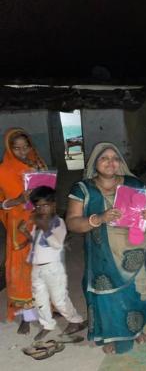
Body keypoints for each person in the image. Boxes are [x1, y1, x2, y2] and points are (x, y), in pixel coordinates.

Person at [65, 142, 146, 354]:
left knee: (138, 291)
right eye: (104, 158)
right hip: (103, 251)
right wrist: (99, 218)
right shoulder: (83, 189)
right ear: (95, 163)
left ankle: (135, 329)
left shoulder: (133, 183)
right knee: (108, 295)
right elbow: (72, 222)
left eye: (115, 158)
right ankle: (111, 335)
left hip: (137, 247)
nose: (110, 163)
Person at [18, 186, 86, 340]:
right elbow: (36, 243)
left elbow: (56, 244)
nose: (41, 209)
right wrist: (26, 233)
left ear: (54, 204)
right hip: (37, 268)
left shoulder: (58, 222)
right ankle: (47, 324)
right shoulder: (38, 222)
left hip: (53, 268)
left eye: (45, 205)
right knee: (39, 299)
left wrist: (44, 227)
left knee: (59, 299)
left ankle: (76, 321)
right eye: (38, 206)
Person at [0, 127, 48, 334]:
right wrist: (19, 200)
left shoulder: (38, 164)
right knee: (21, 271)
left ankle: (46, 310)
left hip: (40, 223)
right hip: (18, 228)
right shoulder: (3, 171)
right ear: (9, 149)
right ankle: (26, 317)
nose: (21, 151)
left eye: (24, 147)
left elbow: (49, 193)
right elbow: (1, 204)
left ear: (30, 146)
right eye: (16, 148)